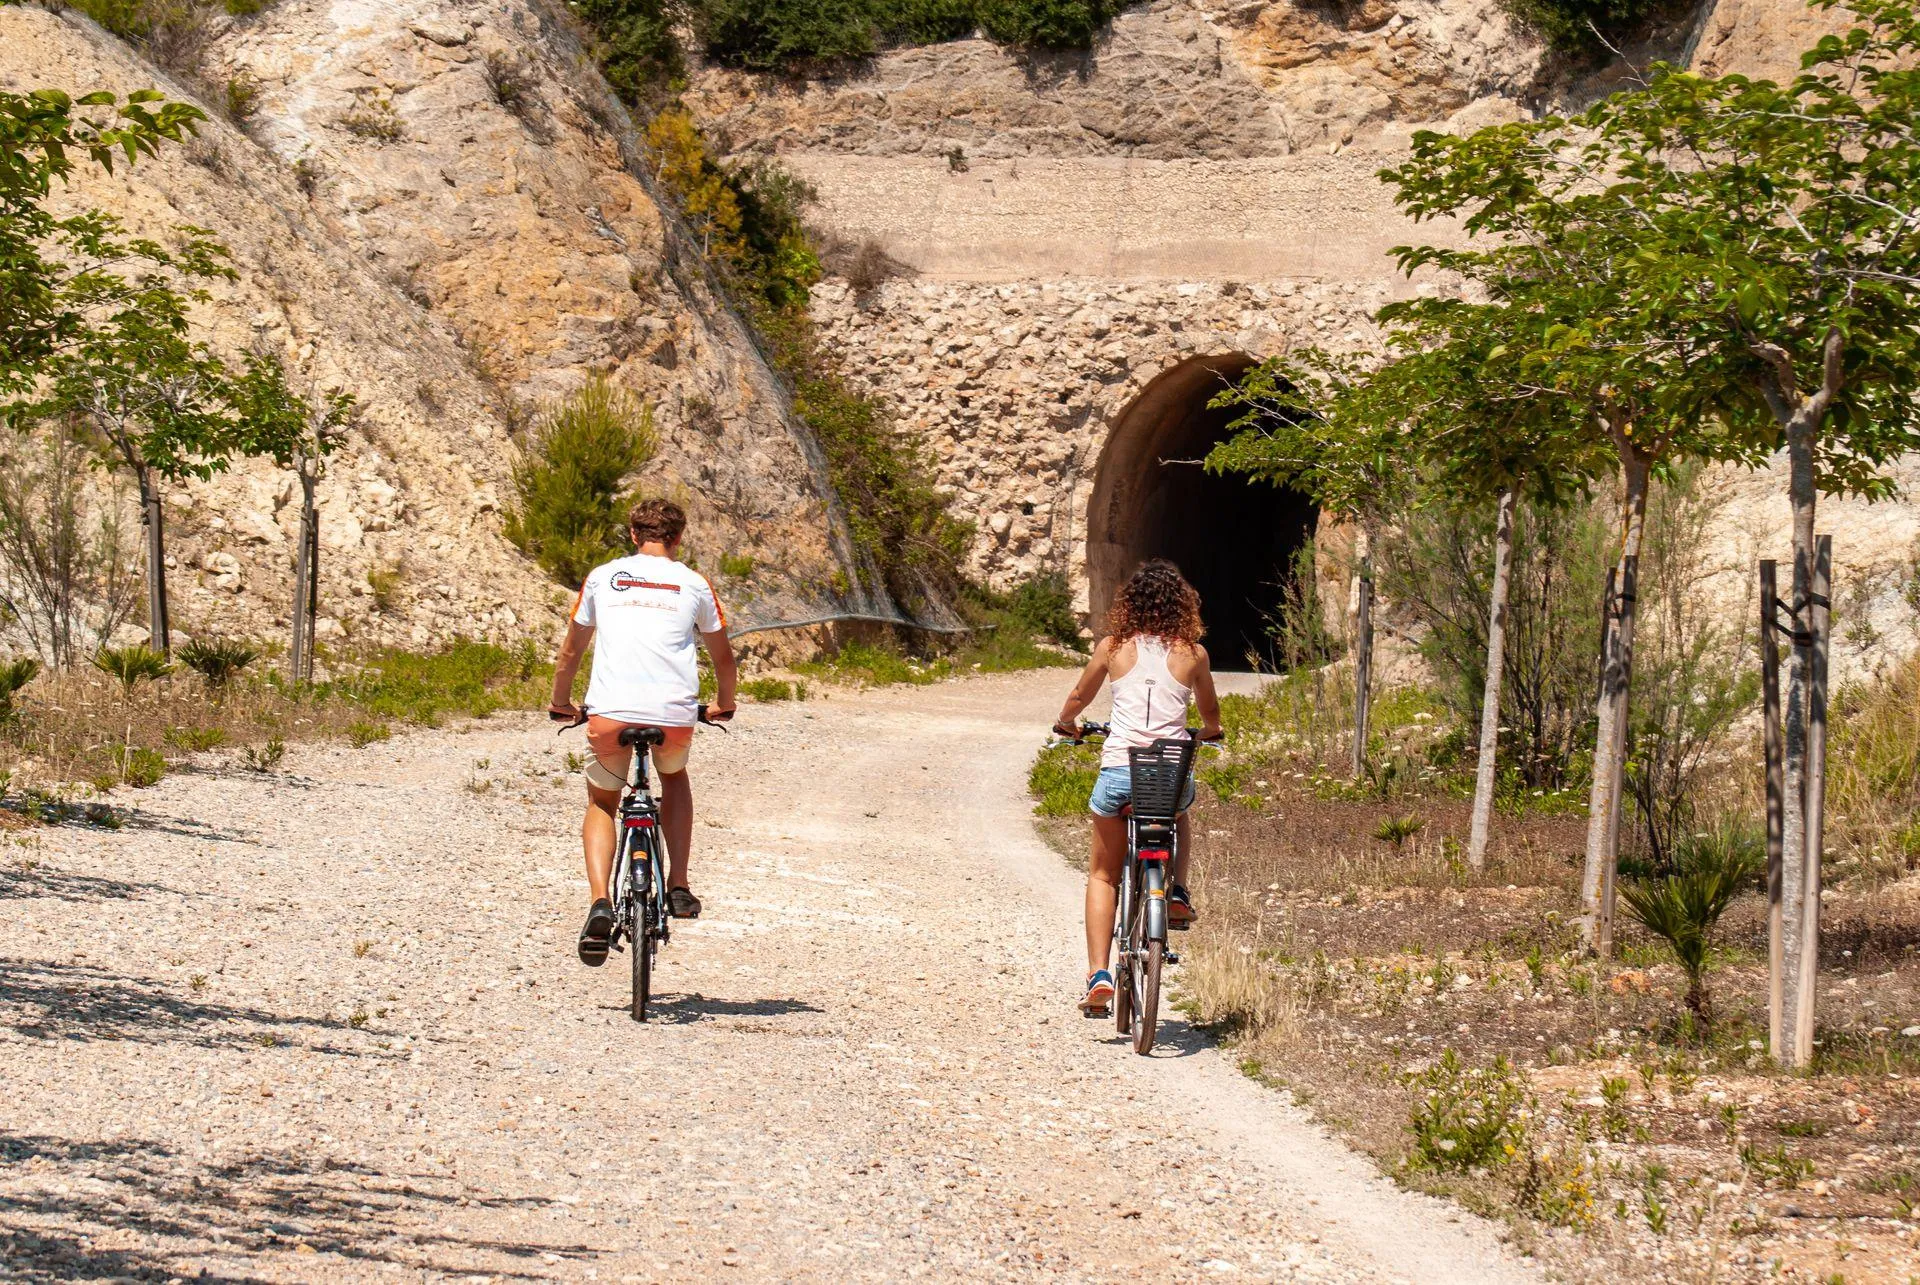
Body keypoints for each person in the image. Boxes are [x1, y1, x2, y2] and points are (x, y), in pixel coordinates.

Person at [548, 498, 737, 965]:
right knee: (673, 777)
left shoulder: (602, 577)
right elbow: (723, 659)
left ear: (633, 534)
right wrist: (723, 704)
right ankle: (678, 884)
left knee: (602, 802)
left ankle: (600, 902)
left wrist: (561, 704)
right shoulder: (695, 584)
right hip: (673, 717)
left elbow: (570, 653)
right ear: (679, 537)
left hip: (610, 713)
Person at [1051, 558, 1221, 1015]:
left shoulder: (1112, 648)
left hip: (1119, 773)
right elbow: (1210, 713)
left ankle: (1099, 975)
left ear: (1130, 604)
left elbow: (1078, 697)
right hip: (1167, 777)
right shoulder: (1193, 653)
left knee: (1103, 874)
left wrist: (1066, 723)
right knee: (1179, 812)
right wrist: (1208, 731)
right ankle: (1177, 891)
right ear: (1182, 605)